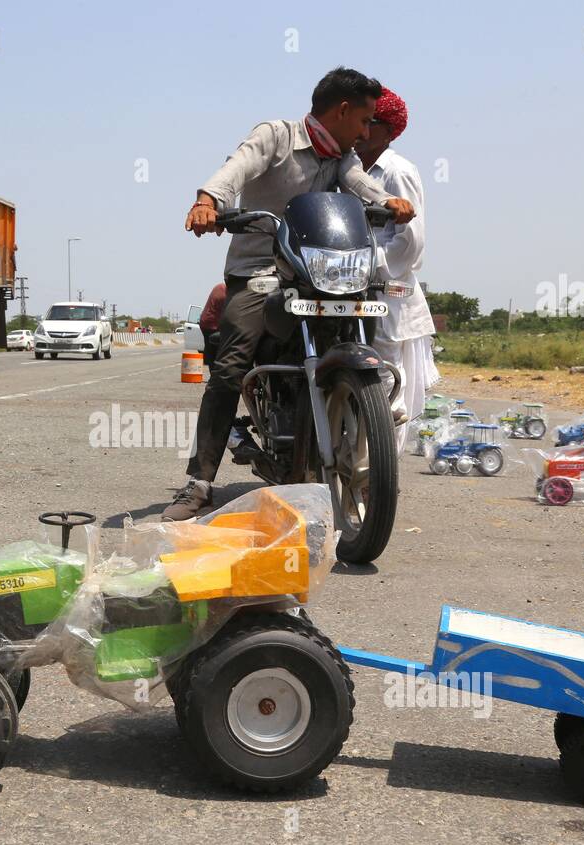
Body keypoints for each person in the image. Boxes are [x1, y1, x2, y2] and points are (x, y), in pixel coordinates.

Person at [162, 67, 415, 521]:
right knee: (231, 363)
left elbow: (361, 185)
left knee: (362, 319)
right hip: (259, 270)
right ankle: (199, 481)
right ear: (341, 110)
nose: (365, 132)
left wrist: (387, 201)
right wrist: (208, 202)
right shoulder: (276, 137)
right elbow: (234, 169)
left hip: (317, 272)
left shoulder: (342, 157)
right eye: (363, 120)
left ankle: (360, 423)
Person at [354, 87, 438, 452]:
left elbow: (410, 242)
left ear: (388, 130)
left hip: (387, 293)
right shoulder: (353, 170)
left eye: (367, 123)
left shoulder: (396, 171)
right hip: (351, 286)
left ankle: (379, 476)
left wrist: (367, 266)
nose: (360, 130)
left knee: (386, 385)